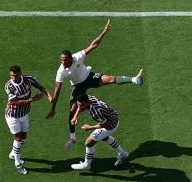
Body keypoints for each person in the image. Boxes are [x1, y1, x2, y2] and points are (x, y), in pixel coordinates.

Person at [48, 19, 144, 149]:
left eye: (65, 59)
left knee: (110, 79)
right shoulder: (61, 71)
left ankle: (134, 79)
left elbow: (93, 45)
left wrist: (104, 31)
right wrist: (53, 108)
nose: (63, 62)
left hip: (89, 77)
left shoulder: (78, 57)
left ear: (71, 58)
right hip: (78, 86)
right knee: (72, 112)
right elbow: (57, 91)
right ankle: (72, 138)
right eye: (61, 60)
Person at [4, 65, 52, 175]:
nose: (14, 78)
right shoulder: (9, 86)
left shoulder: (28, 79)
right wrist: (33, 99)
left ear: (20, 73)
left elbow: (41, 87)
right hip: (12, 115)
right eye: (12, 76)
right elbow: (15, 102)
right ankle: (17, 163)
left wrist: (49, 95)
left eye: (15, 75)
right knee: (18, 137)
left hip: (24, 114)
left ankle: (13, 154)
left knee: (24, 136)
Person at [69, 93, 130, 171]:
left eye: (82, 105)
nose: (80, 107)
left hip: (110, 125)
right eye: (79, 104)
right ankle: (123, 154)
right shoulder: (90, 98)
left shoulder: (95, 112)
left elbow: (105, 125)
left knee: (89, 143)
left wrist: (89, 127)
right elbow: (79, 106)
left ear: (87, 102)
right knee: (104, 137)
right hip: (113, 116)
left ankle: (86, 165)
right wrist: (75, 117)